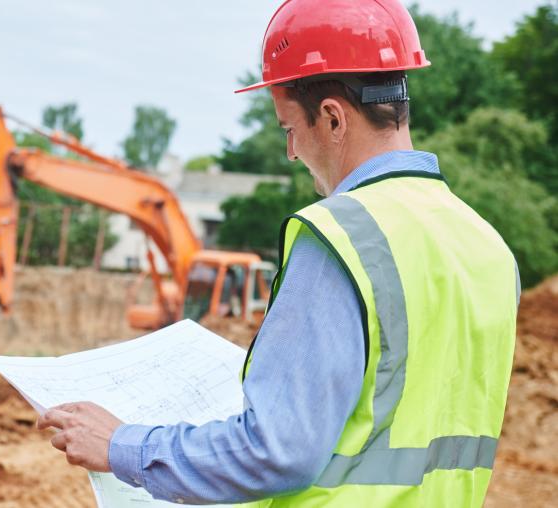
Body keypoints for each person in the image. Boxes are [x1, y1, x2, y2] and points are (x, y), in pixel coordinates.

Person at [36, 0, 519, 506]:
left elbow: (276, 450)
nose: (291, 152)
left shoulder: (344, 236)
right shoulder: (486, 246)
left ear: (332, 118)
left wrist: (122, 445)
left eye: (290, 130)